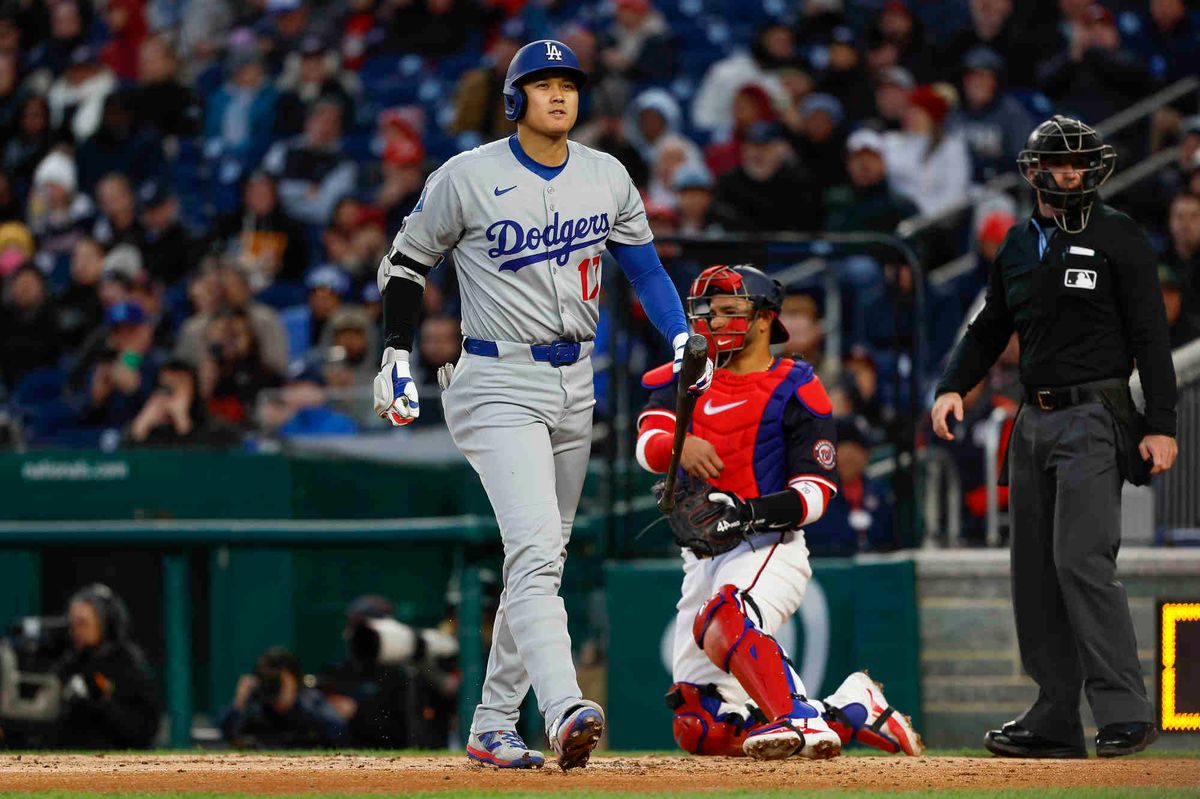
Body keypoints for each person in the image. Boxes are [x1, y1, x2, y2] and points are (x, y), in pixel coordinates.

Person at [372, 38, 711, 770]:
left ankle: (494, 721)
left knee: (542, 562)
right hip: (496, 377)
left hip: (573, 379)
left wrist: (681, 333)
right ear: (514, 99)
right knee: (532, 551)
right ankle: (563, 708)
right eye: (542, 83)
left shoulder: (606, 175)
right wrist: (397, 349)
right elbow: (405, 262)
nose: (559, 94)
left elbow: (646, 270)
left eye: (569, 83)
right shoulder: (467, 176)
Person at [931, 116, 1177, 759]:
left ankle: (1124, 710)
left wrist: (1161, 424)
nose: (1070, 174)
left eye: (1079, 164)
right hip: (1031, 420)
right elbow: (990, 328)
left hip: (1095, 412)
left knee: (1081, 558)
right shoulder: (1016, 244)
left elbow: (1152, 335)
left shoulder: (1120, 236)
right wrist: (954, 385)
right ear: (1035, 171)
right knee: (1034, 570)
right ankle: (1055, 715)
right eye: (1059, 164)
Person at [635, 264, 923, 761]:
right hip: (701, 555)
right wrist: (680, 447)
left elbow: (816, 492)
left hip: (769, 545)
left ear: (765, 319)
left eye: (729, 312)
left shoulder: (797, 386)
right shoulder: (686, 377)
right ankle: (852, 711)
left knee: (725, 615)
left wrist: (747, 513)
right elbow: (647, 443)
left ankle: (800, 718)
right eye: (706, 312)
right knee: (699, 722)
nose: (713, 323)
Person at [53, 584, 161, 748]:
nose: (75, 630)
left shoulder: (128, 664)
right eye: (73, 623)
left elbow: (143, 731)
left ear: (106, 623)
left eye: (83, 623)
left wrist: (100, 702)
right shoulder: (68, 662)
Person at [219, 647, 348, 749]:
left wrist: (292, 702)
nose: (273, 684)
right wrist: (239, 702)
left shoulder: (309, 700)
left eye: (277, 679)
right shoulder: (256, 702)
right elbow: (226, 733)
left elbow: (338, 733)